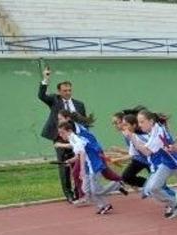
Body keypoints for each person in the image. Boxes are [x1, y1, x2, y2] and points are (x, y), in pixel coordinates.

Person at [38, 66, 86, 203]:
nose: (68, 93)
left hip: (75, 139)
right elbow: (41, 96)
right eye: (65, 91)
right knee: (64, 166)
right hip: (59, 138)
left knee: (77, 164)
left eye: (69, 90)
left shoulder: (79, 104)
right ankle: (69, 194)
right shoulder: (55, 100)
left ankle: (79, 192)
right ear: (59, 91)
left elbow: (84, 121)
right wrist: (46, 79)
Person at [57, 121, 122, 215]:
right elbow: (79, 155)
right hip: (88, 167)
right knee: (86, 190)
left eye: (62, 132)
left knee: (95, 190)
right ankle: (104, 205)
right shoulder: (72, 139)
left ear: (69, 130)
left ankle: (117, 185)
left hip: (94, 166)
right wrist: (70, 160)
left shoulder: (76, 139)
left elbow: (83, 154)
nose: (60, 135)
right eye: (59, 133)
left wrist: (82, 170)